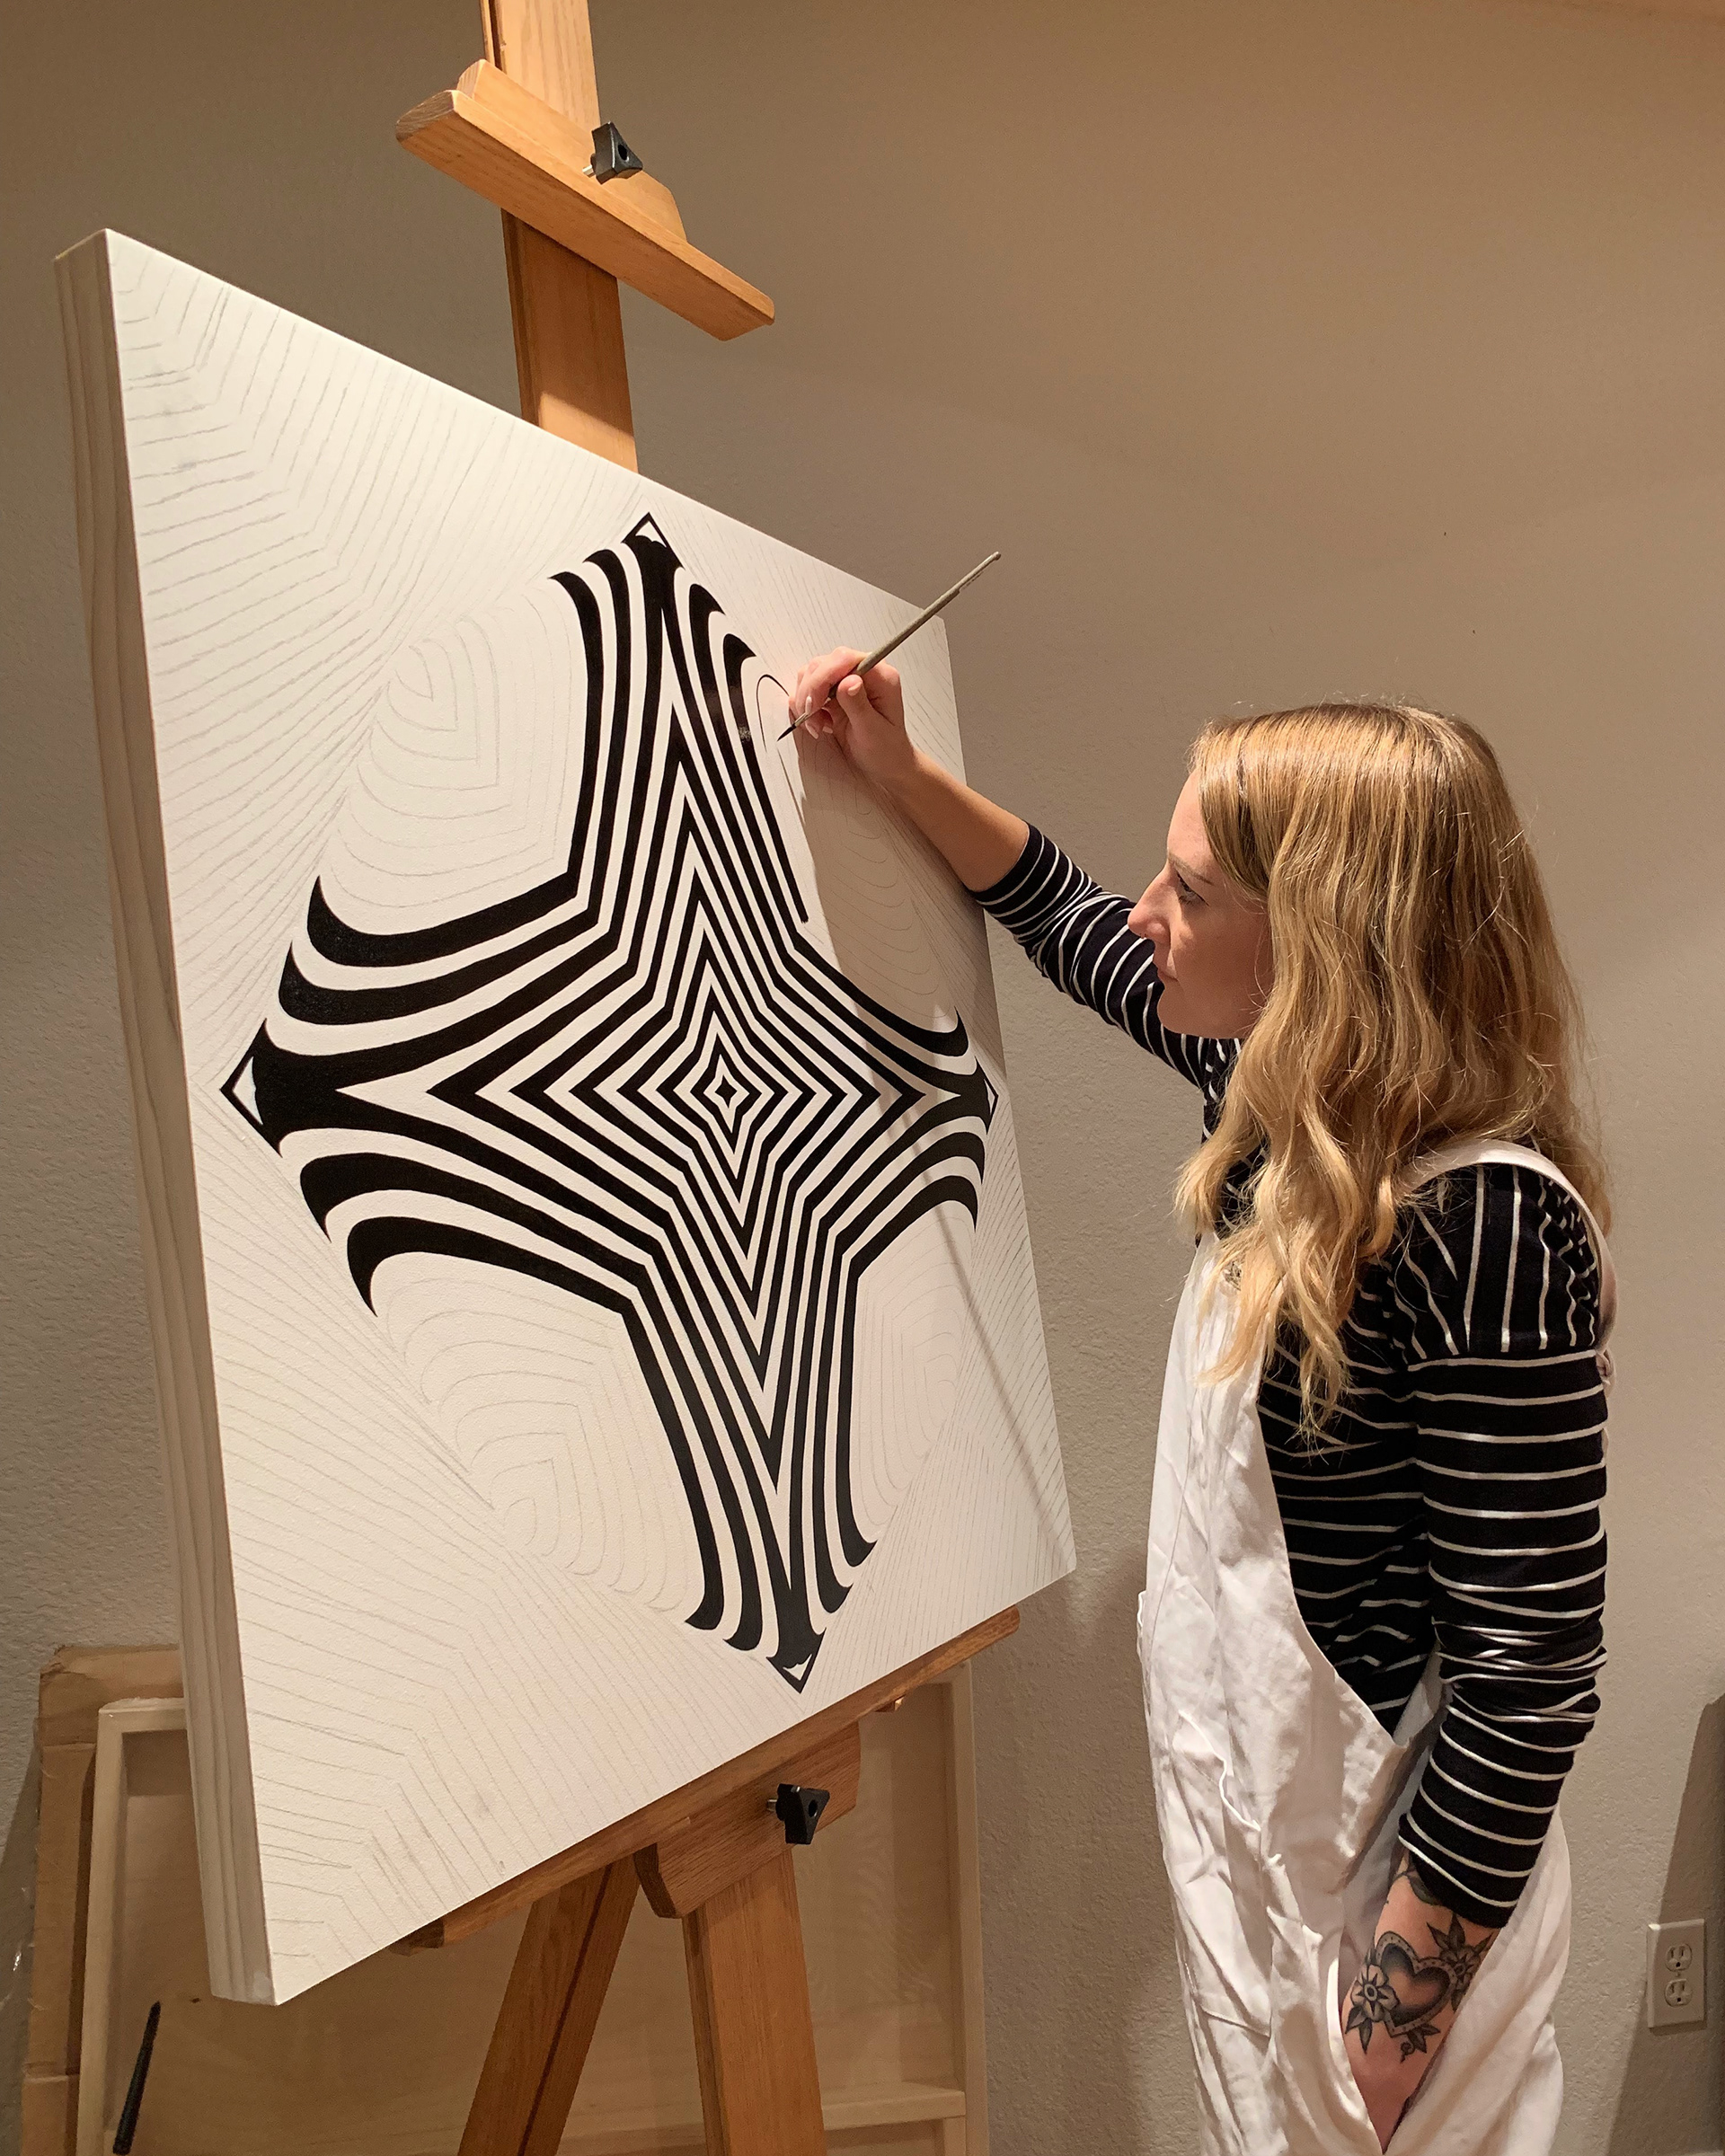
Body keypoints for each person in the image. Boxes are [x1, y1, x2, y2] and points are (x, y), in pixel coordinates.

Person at [787, 651, 1612, 2155]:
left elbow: (1531, 1675)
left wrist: (1387, 2031)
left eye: (1193, 893)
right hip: (1289, 1897)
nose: (1147, 916)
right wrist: (900, 779)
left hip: (1404, 1952)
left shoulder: (1485, 1222)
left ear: (1323, 954)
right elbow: (1075, 927)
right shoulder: (1287, 1120)